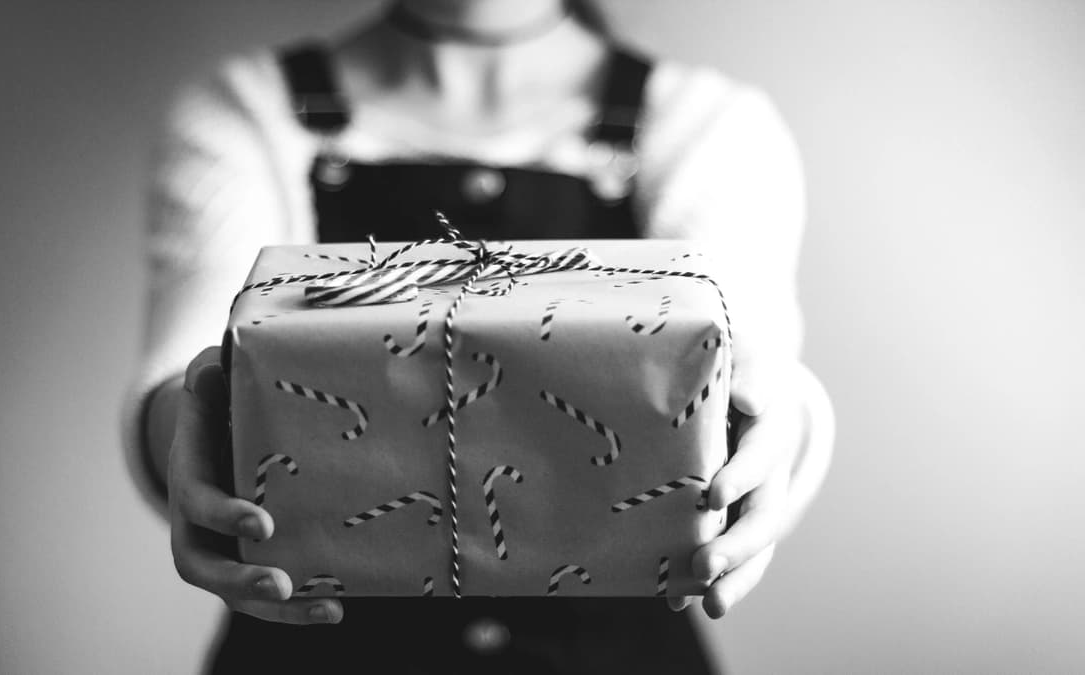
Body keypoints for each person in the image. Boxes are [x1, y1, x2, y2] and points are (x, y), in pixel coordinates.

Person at [121, 0, 835, 672]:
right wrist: (185, 433)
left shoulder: (707, 122)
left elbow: (751, 352)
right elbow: (193, 360)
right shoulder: (246, 112)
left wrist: (778, 425)